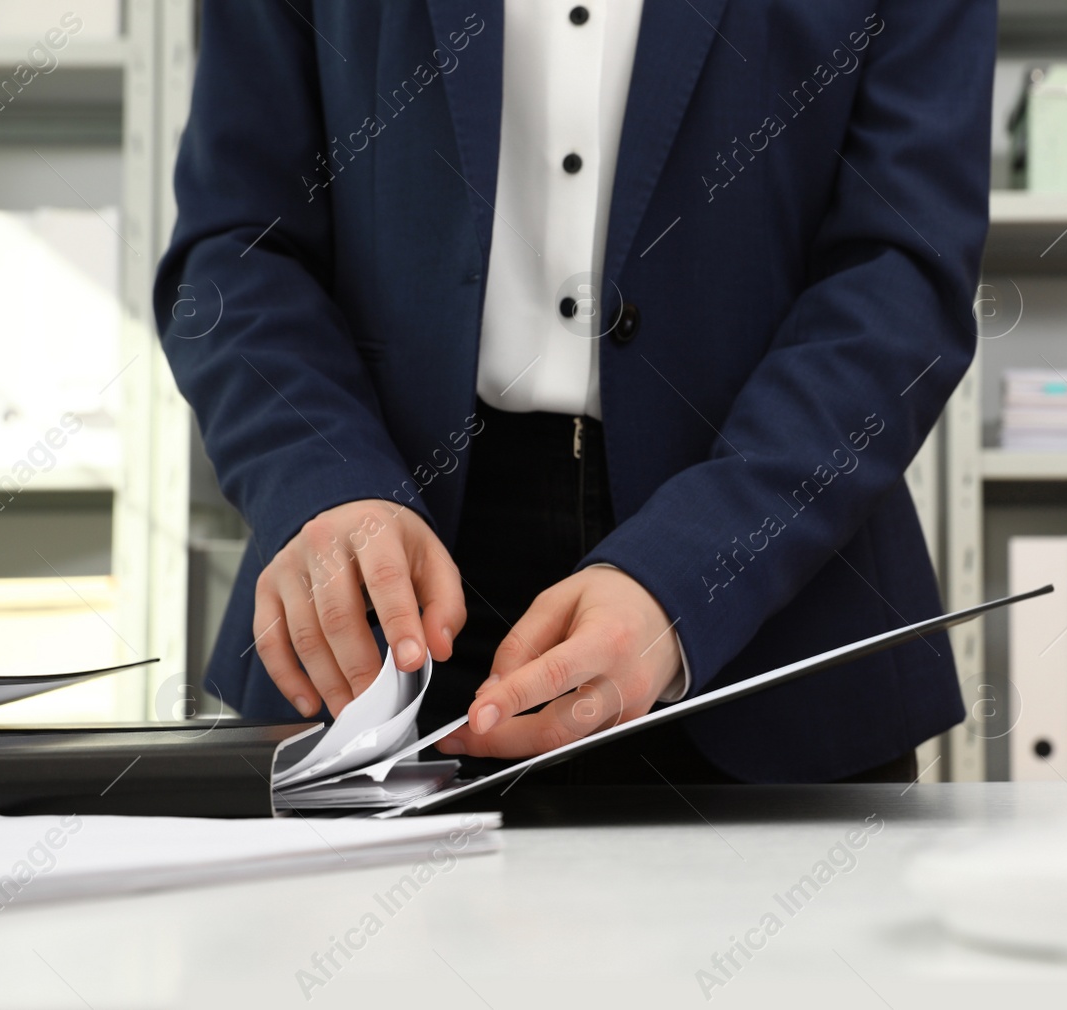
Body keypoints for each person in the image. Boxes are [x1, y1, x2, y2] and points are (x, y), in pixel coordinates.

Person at [154, 0, 994, 785]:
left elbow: (903, 272)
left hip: (773, 607)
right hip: (385, 595)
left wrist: (688, 573)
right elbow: (237, 246)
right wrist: (319, 479)